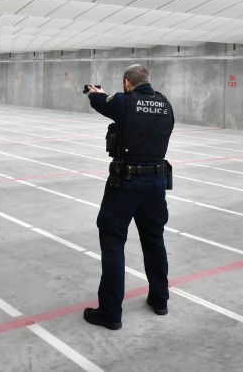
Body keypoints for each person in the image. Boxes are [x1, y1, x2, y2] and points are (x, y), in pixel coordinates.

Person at [83, 64, 174, 330]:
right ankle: (160, 300)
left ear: (126, 83)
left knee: (112, 241)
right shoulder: (165, 104)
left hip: (126, 181)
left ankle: (110, 313)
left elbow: (101, 102)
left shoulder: (124, 101)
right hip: (157, 182)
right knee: (154, 240)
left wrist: (94, 92)